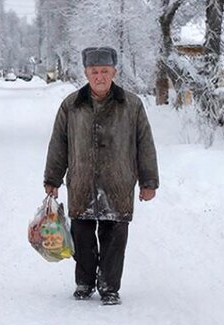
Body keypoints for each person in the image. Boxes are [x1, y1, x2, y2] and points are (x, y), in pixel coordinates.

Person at [43, 46, 159, 305]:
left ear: (114, 72)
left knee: (115, 237)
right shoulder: (71, 105)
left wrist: (148, 181)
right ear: (86, 73)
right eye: (94, 71)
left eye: (105, 71)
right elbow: (58, 144)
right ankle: (84, 282)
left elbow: (145, 144)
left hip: (119, 182)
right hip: (82, 182)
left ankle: (109, 286)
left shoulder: (132, 105)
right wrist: (53, 179)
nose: (100, 77)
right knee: (82, 236)